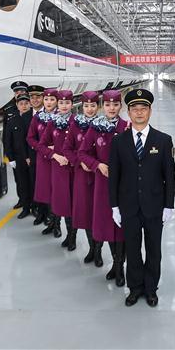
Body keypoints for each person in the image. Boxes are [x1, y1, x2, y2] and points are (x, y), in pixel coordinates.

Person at [108, 88, 175, 308]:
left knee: (154, 249)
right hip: (128, 206)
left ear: (150, 111)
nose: (139, 112)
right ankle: (134, 288)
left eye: (143, 108)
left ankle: (151, 289)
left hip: (154, 207)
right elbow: (114, 177)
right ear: (128, 112)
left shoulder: (163, 140)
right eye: (135, 109)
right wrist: (114, 206)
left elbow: (169, 176)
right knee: (133, 250)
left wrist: (169, 205)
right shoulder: (118, 142)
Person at [79, 90, 128, 286]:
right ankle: (115, 264)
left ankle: (120, 266)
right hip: (102, 184)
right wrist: (97, 165)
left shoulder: (127, 127)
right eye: (108, 105)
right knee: (108, 224)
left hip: (124, 185)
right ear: (102, 107)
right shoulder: (95, 128)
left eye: (115, 105)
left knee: (121, 226)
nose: (111, 108)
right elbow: (83, 153)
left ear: (120, 106)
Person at [67, 90, 102, 265]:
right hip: (82, 176)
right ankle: (93, 249)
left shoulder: (105, 125)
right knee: (87, 213)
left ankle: (100, 250)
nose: (89, 109)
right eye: (86, 106)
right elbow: (67, 149)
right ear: (81, 107)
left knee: (100, 214)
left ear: (98, 106)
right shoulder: (75, 125)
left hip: (101, 176)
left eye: (93, 105)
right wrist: (78, 162)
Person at [42, 90, 76, 248]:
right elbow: (42, 145)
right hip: (58, 169)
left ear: (72, 104)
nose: (64, 106)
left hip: (75, 169)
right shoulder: (52, 122)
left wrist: (72, 157)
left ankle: (72, 237)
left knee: (74, 203)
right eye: (61, 103)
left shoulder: (78, 121)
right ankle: (60, 228)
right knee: (60, 200)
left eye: (67, 103)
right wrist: (55, 155)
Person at [27, 88, 59, 233]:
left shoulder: (62, 116)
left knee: (58, 193)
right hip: (43, 160)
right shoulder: (37, 118)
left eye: (52, 99)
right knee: (47, 191)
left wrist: (56, 147)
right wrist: (42, 147)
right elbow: (30, 138)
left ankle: (57, 226)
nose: (49, 102)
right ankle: (51, 223)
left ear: (57, 101)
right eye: (46, 99)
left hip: (59, 160)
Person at [3, 93, 34, 219]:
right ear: (17, 105)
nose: (24, 106)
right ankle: (26, 207)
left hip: (31, 157)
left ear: (30, 104)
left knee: (33, 183)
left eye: (26, 103)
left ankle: (36, 206)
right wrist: (11, 158)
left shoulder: (34, 119)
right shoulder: (12, 120)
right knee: (22, 183)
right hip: (18, 158)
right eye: (21, 104)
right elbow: (7, 140)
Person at [24, 85, 45, 215]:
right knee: (34, 184)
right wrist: (26, 156)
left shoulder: (49, 114)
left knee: (47, 186)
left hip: (46, 157)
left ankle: (50, 216)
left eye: (38, 96)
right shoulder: (25, 115)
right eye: (32, 97)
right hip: (32, 157)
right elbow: (23, 139)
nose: (35, 100)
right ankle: (38, 212)